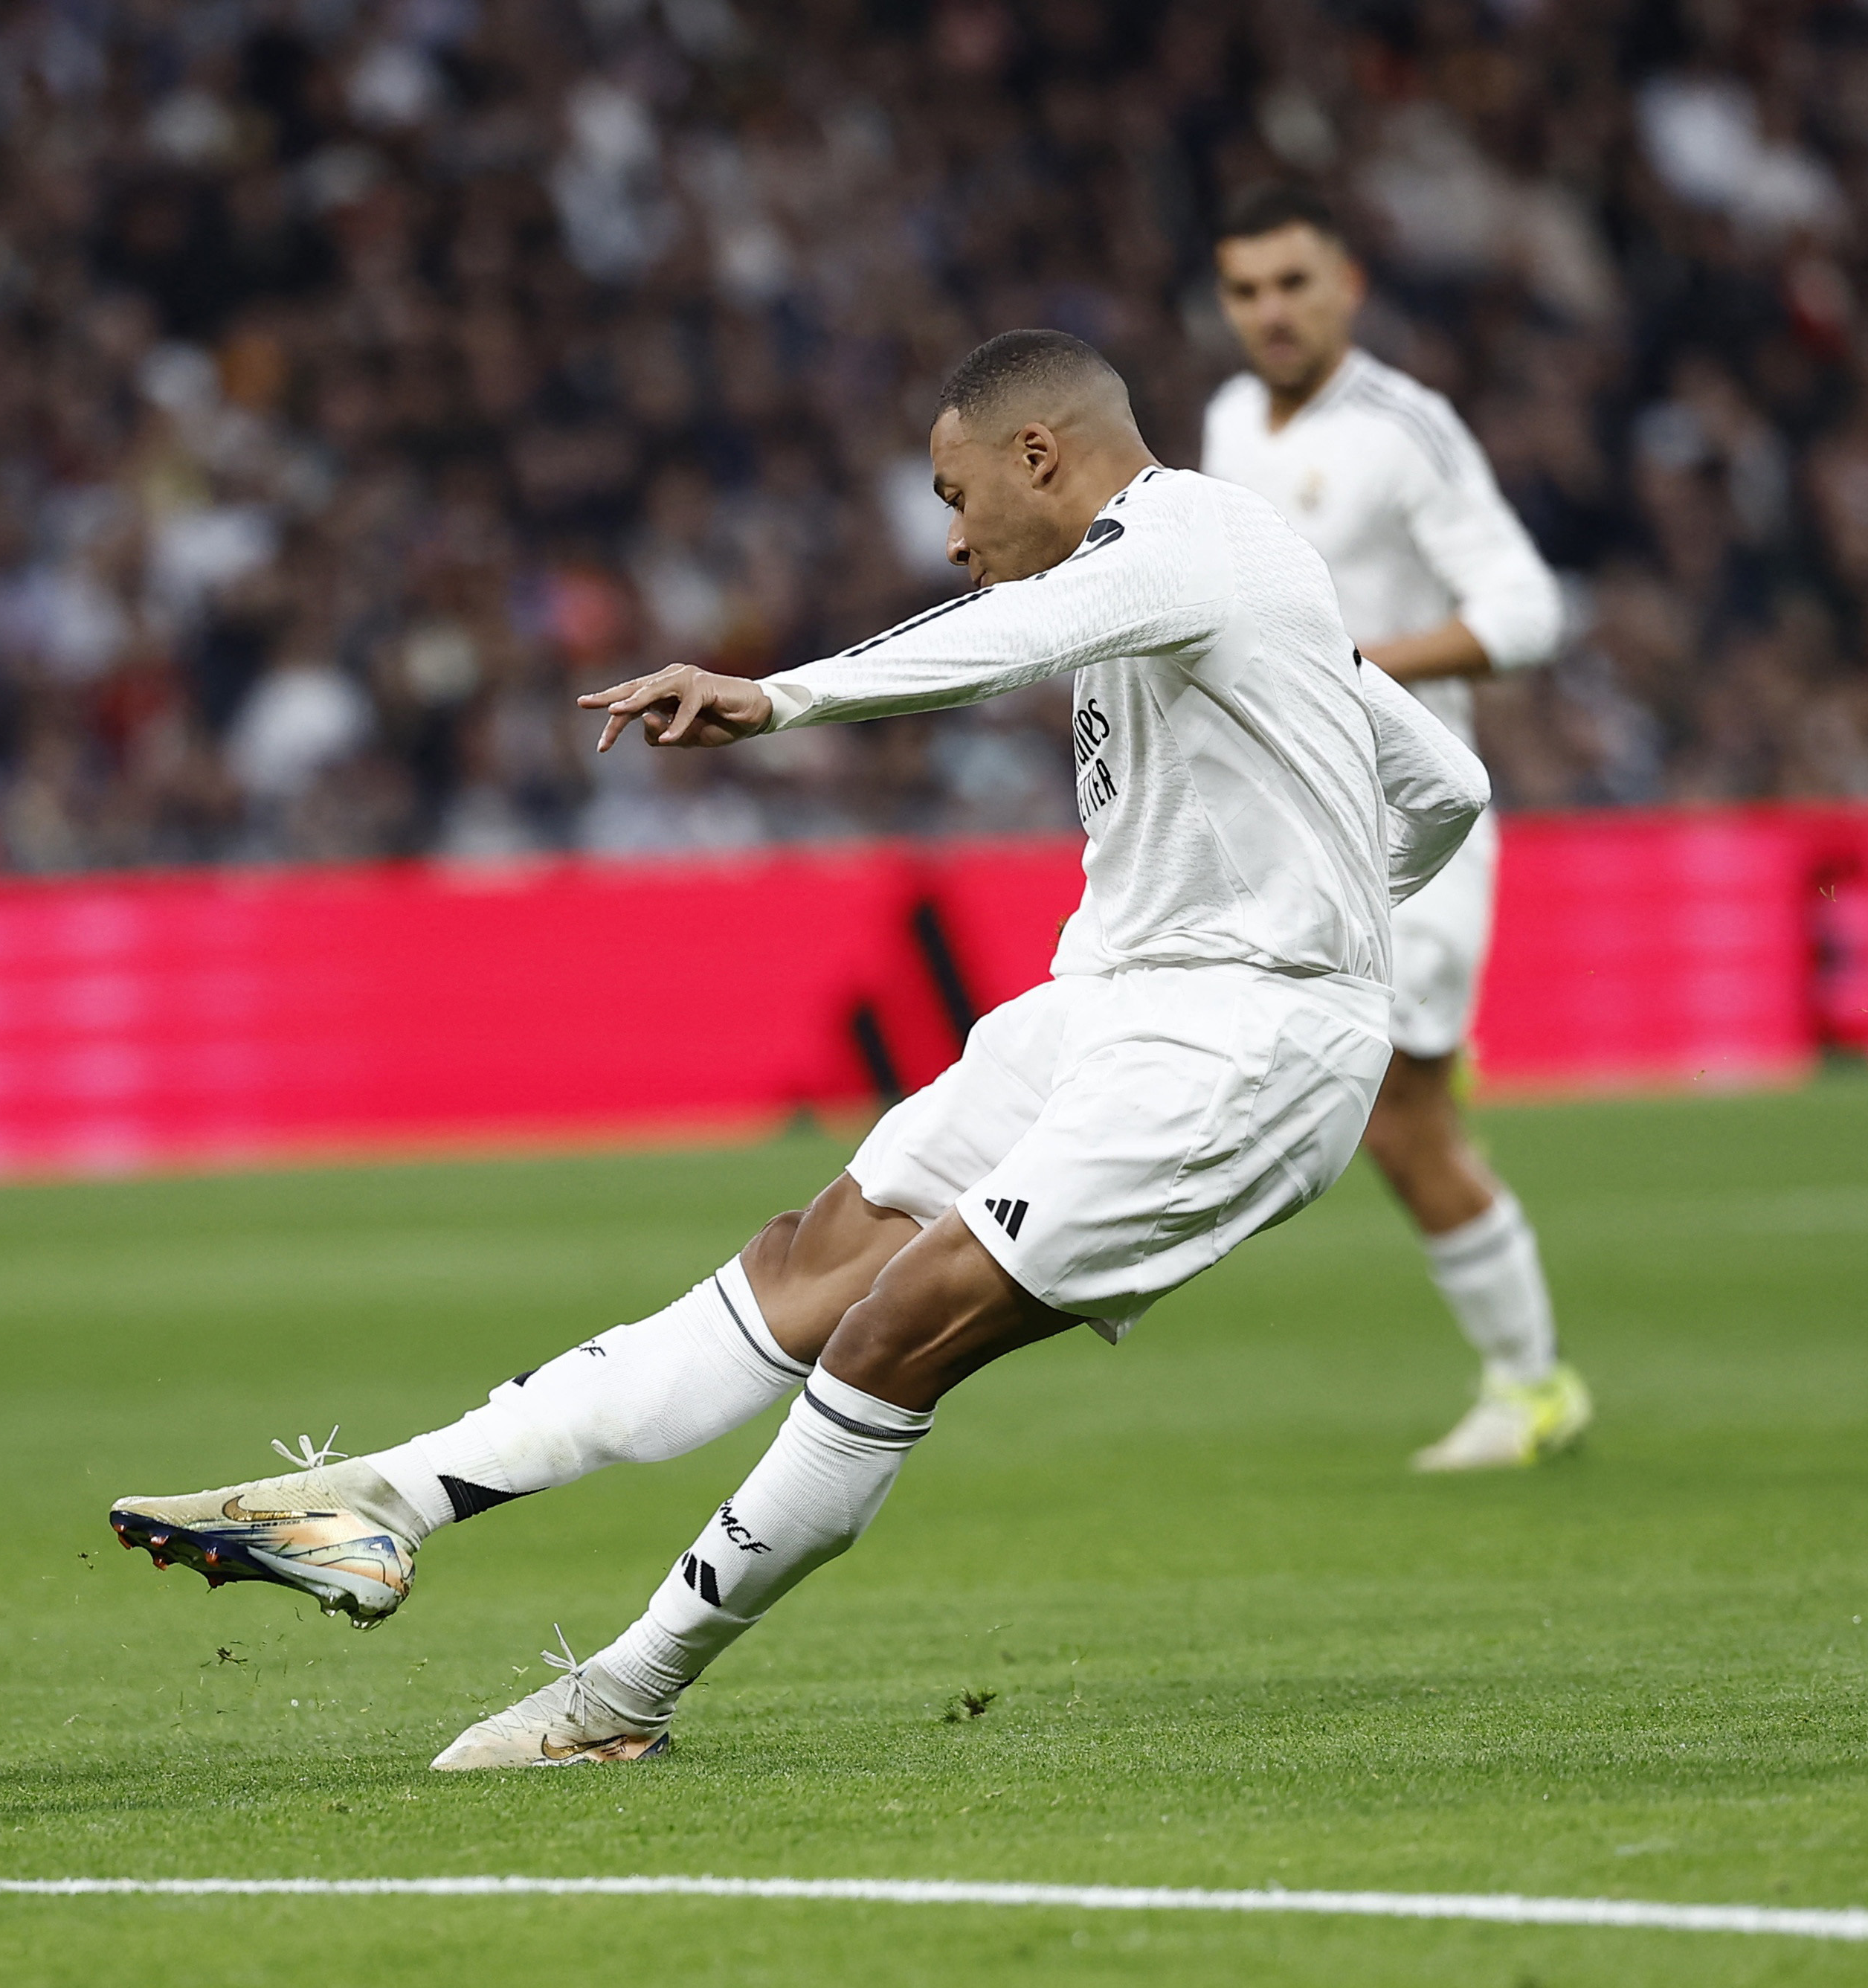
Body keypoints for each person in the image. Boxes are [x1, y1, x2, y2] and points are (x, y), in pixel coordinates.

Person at [108, 330, 1489, 1769]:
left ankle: (622, 1696)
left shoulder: (1192, 537)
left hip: (1239, 1038)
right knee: (805, 1269)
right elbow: (1447, 782)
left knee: (901, 1323)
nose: (952, 540)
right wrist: (1334, 895)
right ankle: (384, 1498)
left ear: (1039, 455)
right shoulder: (1212, 590)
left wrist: (783, 695)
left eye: (957, 498)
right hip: (1115, 1001)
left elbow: (1006, 642)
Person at [1203, 184, 1590, 1473]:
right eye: (1247, 290)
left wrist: (1349, 663)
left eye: (1292, 285)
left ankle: (1531, 1388)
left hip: (1412, 821)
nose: (1270, 312)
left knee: (1403, 1119)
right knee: (1358, 1106)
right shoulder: (1221, 422)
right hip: (1282, 822)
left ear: (1346, 287)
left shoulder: (1402, 430)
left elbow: (1526, 611)